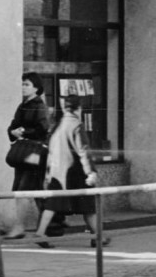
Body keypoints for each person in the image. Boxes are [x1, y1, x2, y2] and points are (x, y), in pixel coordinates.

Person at [33, 94, 106, 245]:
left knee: (52, 205)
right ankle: (98, 237)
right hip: (76, 173)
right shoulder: (76, 125)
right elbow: (83, 151)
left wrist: (48, 175)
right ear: (79, 108)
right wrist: (90, 172)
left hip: (57, 172)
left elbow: (50, 151)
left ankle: (40, 233)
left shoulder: (57, 126)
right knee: (88, 206)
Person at [4, 72, 53, 239]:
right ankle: (46, 227)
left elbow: (43, 129)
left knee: (25, 191)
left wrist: (24, 131)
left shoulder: (39, 105)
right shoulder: (23, 105)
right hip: (23, 154)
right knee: (27, 191)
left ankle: (23, 227)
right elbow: (13, 125)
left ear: (36, 88)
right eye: (22, 84)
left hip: (34, 154)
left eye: (27, 84)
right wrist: (13, 131)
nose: (23, 87)